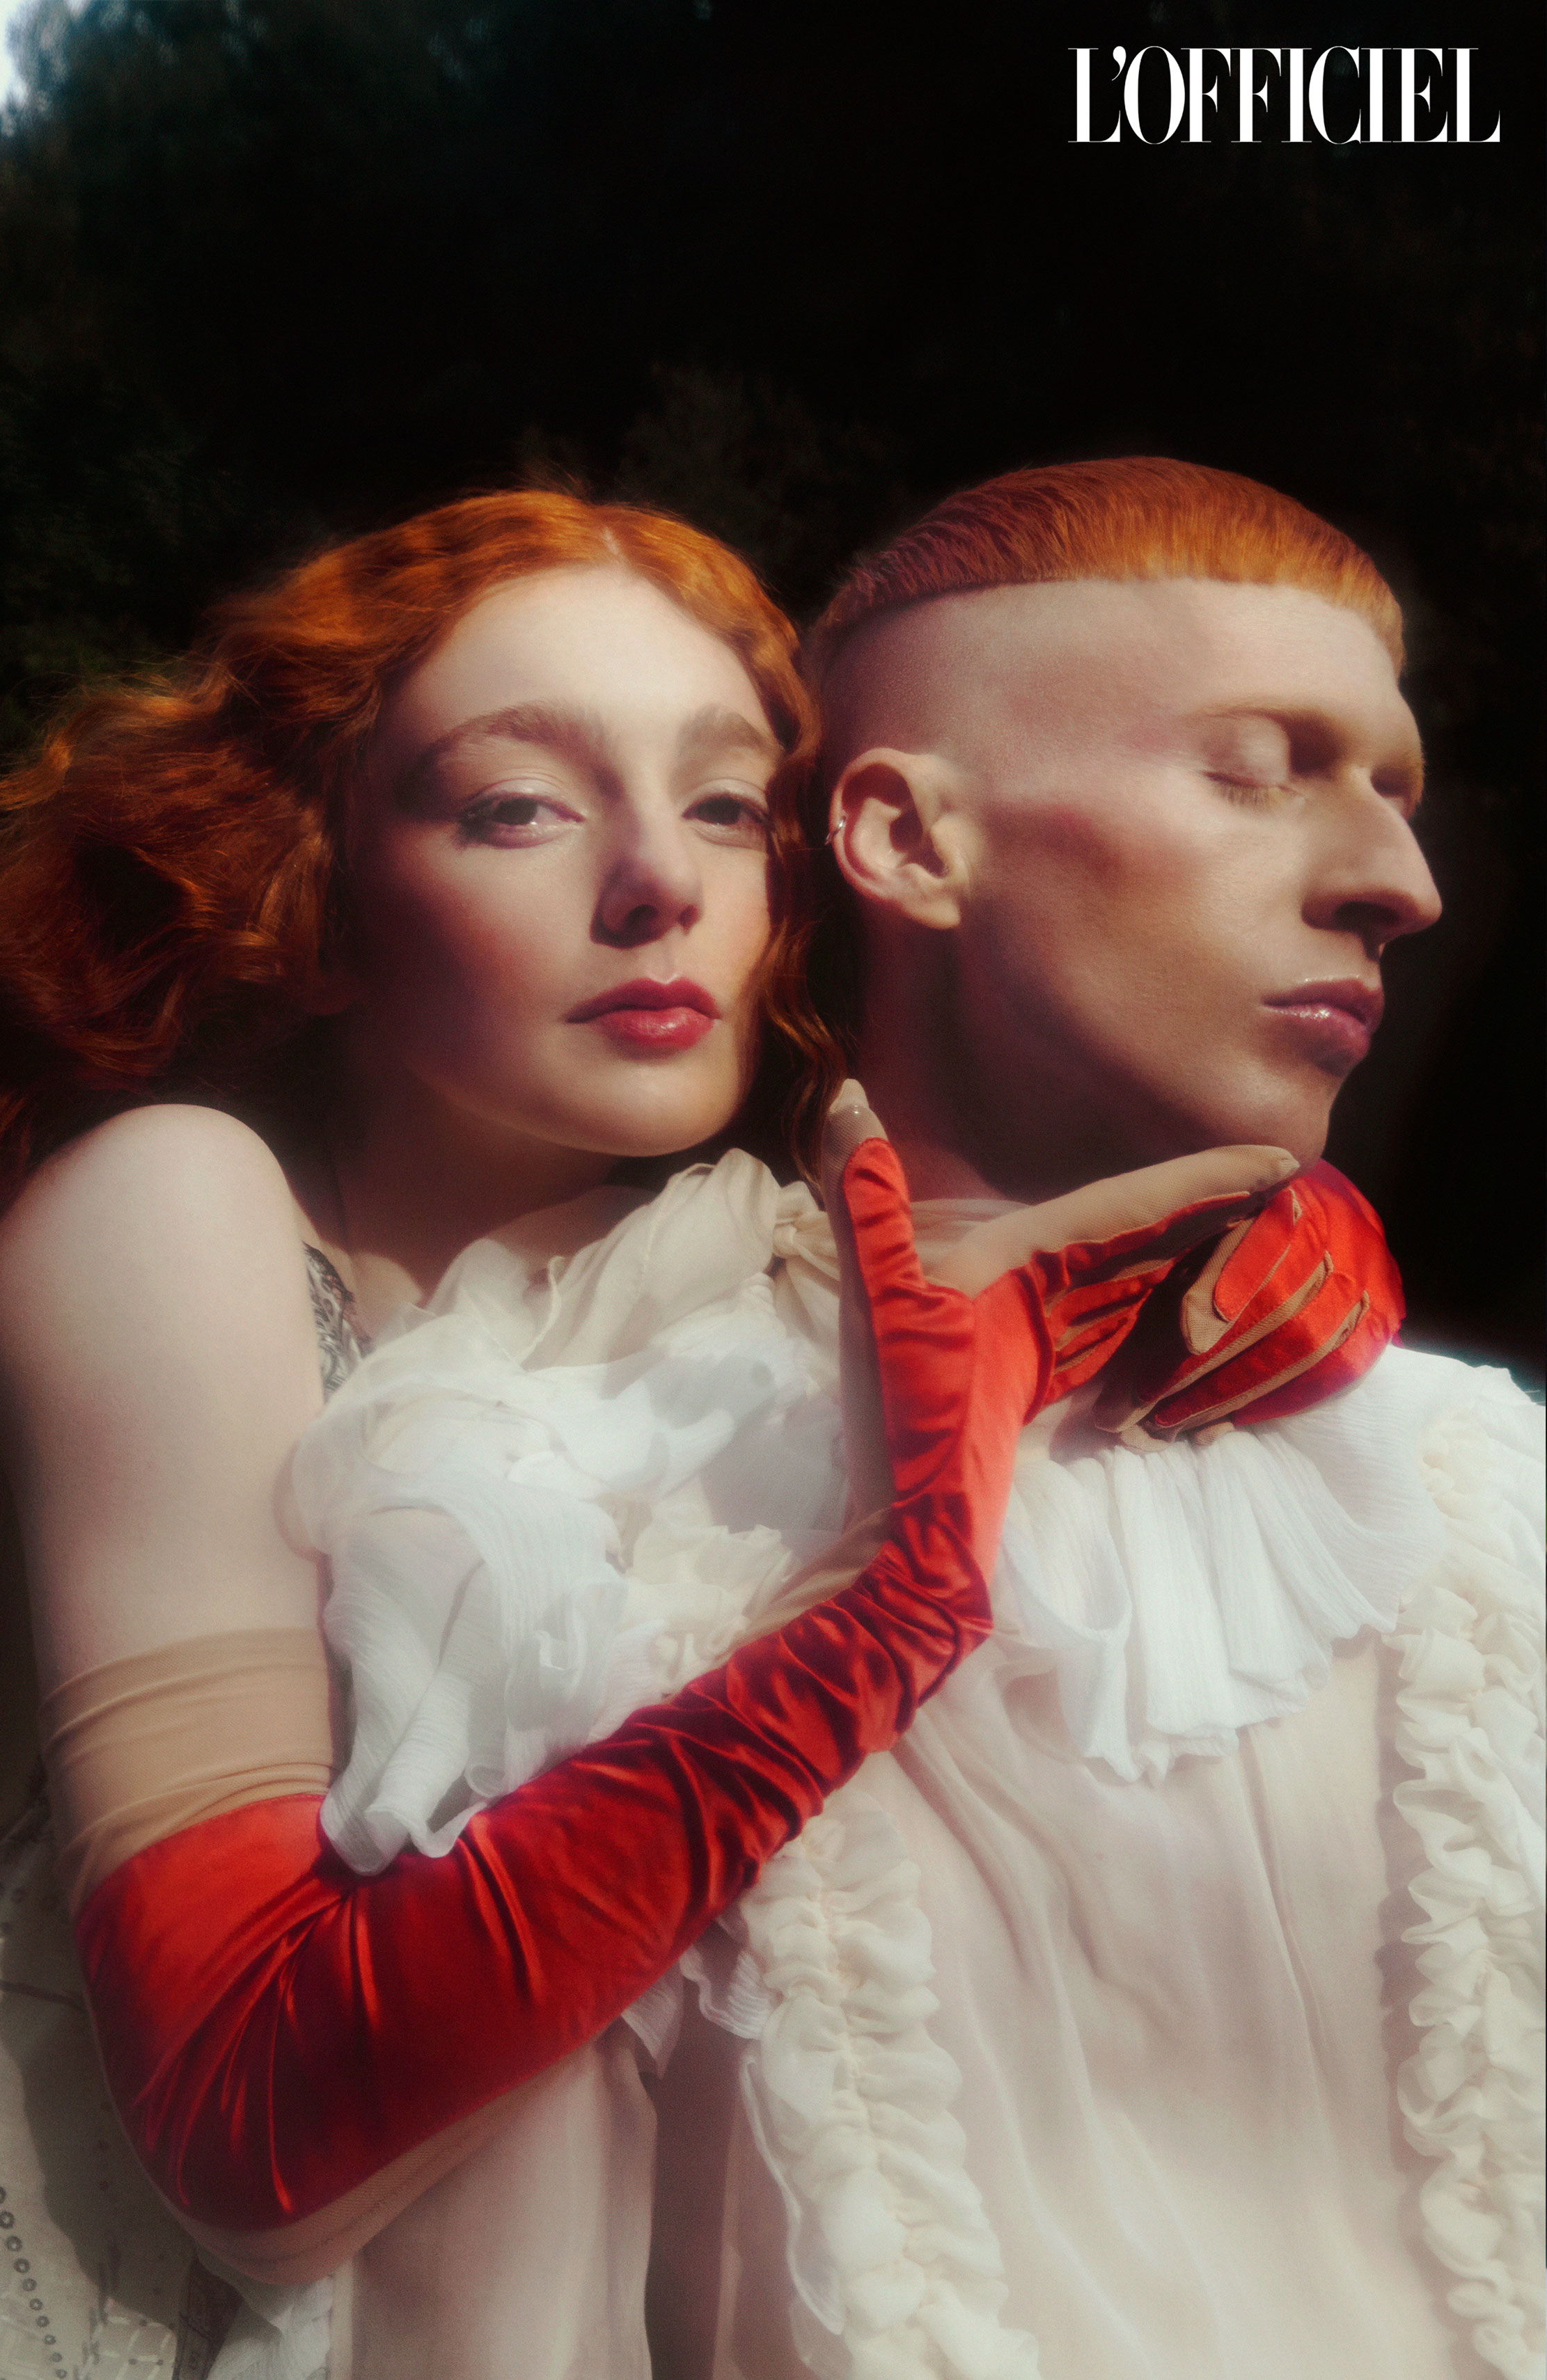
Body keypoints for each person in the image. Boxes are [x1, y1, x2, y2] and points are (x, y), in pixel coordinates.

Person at [0, 484, 1303, 2380]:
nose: (658, 881)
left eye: (727, 805)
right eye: (517, 805)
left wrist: (1250, 1258)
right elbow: (256, 2132)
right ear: (314, 889)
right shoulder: (164, 1215)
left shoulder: (679, 1291)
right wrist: (878, 1614)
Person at [652, 457, 1543, 2380]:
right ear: (908, 838)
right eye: (1257, 771)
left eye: (1393, 787)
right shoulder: (589, 1479)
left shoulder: (1487, 1493)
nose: (1402, 886)